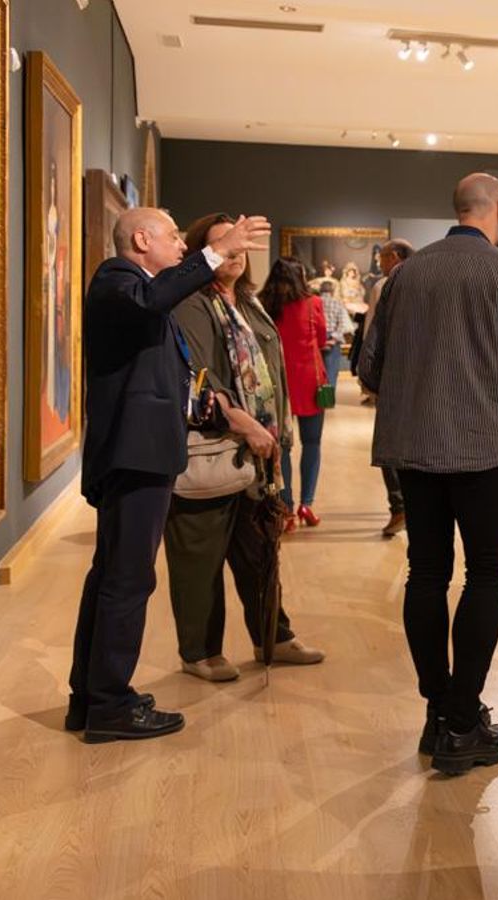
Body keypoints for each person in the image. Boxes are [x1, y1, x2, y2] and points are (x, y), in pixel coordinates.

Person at [359, 173, 498, 777]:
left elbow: (371, 366)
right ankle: (464, 720)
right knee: (487, 576)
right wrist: (488, 397)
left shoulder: (405, 275)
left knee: (426, 572)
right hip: (484, 448)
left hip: (414, 449)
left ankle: (438, 710)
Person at [72, 207, 269, 742]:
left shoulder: (141, 292)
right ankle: (110, 704)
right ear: (141, 238)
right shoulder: (119, 279)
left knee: (113, 576)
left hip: (144, 452)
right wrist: (217, 250)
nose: (182, 245)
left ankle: (91, 698)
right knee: (127, 579)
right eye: (173, 236)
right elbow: (154, 300)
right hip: (135, 457)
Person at [163, 214, 327, 682]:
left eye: (239, 246)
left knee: (259, 549)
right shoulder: (189, 302)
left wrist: (275, 431)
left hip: (259, 451)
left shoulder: (249, 303)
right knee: (200, 554)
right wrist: (244, 423)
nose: (235, 253)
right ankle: (200, 651)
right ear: (200, 252)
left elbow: (270, 367)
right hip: (212, 446)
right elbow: (199, 375)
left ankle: (273, 635)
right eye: (222, 244)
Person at [258, 258, 329, 530]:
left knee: (282, 448)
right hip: (310, 382)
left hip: (276, 384)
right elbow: (321, 340)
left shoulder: (263, 304)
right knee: (312, 444)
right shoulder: (313, 303)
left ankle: (285, 508)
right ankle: (306, 504)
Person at [360, 238, 413, 536]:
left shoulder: (386, 285)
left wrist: (368, 378)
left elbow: (373, 334)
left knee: (390, 444)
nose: (379, 263)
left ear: (393, 256)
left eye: (382, 258)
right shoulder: (424, 278)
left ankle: (399, 506)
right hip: (420, 379)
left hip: (392, 376)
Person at [319, 271, 355, 394]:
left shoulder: (315, 302)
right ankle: (327, 400)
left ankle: (317, 399)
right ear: (332, 291)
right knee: (331, 370)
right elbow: (342, 323)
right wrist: (333, 339)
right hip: (333, 338)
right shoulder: (337, 303)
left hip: (317, 338)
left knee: (317, 371)